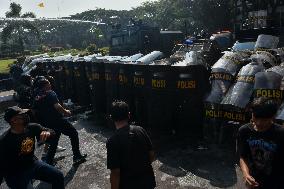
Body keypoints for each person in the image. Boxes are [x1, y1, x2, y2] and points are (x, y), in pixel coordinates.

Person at [0, 106, 64, 189]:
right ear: (14, 120)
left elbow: (52, 132)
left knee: (58, 176)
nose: (26, 116)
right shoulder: (4, 140)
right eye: (22, 115)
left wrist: (48, 132)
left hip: (32, 163)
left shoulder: (32, 127)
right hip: (15, 173)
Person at [33, 79, 86, 165]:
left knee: (54, 141)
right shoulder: (50, 93)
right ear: (45, 85)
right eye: (49, 84)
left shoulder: (36, 95)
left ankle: (48, 162)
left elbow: (34, 110)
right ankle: (77, 156)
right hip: (57, 120)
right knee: (74, 134)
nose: (50, 85)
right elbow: (57, 106)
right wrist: (66, 112)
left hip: (46, 122)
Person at [106, 100, 156, 189]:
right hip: (148, 182)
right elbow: (152, 155)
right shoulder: (140, 130)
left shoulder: (112, 141)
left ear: (111, 118)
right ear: (129, 115)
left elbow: (115, 173)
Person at [237, 97, 284, 189]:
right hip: (254, 182)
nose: (259, 123)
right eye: (256, 117)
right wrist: (246, 175)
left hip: (277, 183)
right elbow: (243, 156)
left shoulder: (281, 133)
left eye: (264, 120)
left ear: (273, 117)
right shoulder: (244, 131)